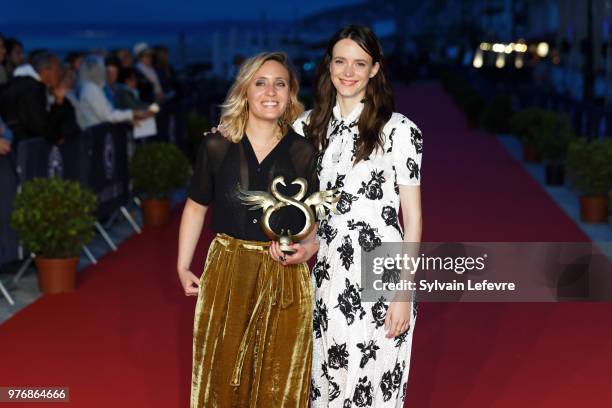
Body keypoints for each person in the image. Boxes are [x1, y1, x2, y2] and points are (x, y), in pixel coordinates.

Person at [288, 25, 423, 407]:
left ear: (374, 69)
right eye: (341, 61)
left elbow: (412, 219)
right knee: (327, 383)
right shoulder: (307, 128)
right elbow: (312, 208)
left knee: (375, 387)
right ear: (328, 65)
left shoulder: (400, 131)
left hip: (382, 270)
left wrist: (403, 291)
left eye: (359, 63)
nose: (348, 72)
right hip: (329, 272)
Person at [177, 51, 318, 407]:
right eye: (261, 82)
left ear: (290, 95)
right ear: (244, 90)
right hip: (227, 270)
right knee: (221, 376)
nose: (271, 91)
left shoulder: (303, 151)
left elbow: (313, 219)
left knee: (277, 379)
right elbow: (196, 205)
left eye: (280, 83)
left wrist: (306, 248)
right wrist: (182, 265)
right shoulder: (216, 145)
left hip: (283, 273)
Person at [0, 50, 72, 145]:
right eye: (58, 69)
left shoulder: (19, 84)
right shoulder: (31, 89)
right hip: (20, 152)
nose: (60, 74)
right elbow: (43, 130)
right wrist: (59, 102)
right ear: (45, 71)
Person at [75, 54, 152, 130]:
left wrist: (130, 116)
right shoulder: (91, 89)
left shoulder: (91, 88)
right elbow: (108, 115)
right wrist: (133, 114)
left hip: (100, 130)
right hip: (98, 134)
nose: (103, 72)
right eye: (102, 69)